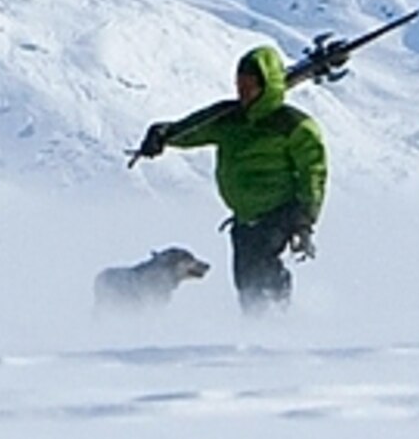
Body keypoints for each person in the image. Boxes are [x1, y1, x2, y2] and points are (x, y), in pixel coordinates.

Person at [133, 44, 327, 309]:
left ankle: (277, 317)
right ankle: (259, 327)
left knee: (261, 264)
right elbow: (193, 129)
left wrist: (306, 217)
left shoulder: (295, 126)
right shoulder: (229, 118)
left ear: (266, 85)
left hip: (280, 211)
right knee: (245, 276)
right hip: (244, 216)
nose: (243, 93)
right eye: (240, 85)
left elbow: (313, 172)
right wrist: (162, 134)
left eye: (249, 86)